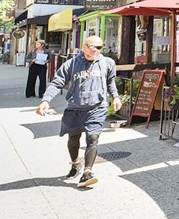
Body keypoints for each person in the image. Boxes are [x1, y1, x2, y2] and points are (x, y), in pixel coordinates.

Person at [36, 36, 123, 189]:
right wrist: (45, 100)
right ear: (83, 46)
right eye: (91, 46)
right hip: (75, 107)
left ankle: (88, 172)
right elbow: (57, 82)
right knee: (74, 139)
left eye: (99, 47)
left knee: (93, 136)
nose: (95, 50)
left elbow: (110, 81)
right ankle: (76, 164)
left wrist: (115, 97)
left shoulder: (107, 63)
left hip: (97, 107)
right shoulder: (71, 64)